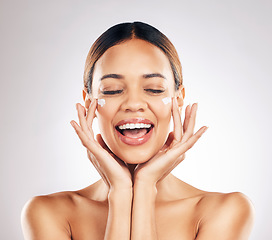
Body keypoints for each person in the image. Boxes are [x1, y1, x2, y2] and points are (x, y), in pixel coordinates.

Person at [21, 21, 254, 240]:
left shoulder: (224, 211)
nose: (133, 103)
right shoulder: (49, 213)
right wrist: (121, 194)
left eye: (153, 89)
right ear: (88, 102)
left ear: (178, 98)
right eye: (111, 90)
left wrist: (145, 187)